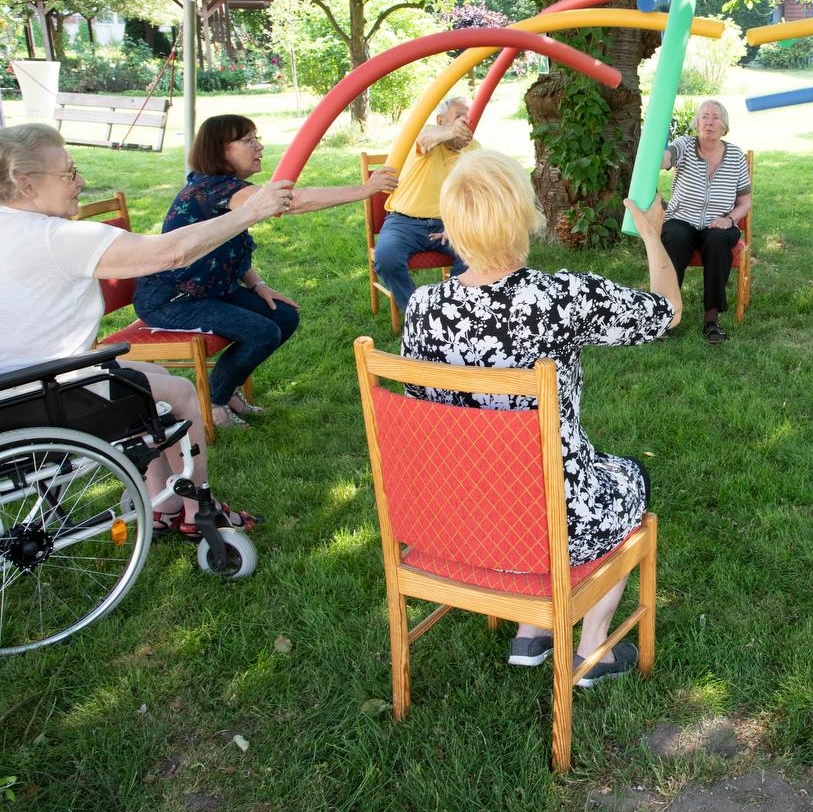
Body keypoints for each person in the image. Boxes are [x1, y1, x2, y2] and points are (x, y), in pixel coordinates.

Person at [401, 150, 681, 684]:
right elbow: (666, 311)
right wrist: (652, 235)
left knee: (541, 479)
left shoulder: (423, 306)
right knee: (632, 480)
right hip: (548, 520)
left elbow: (423, 405)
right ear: (524, 214)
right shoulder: (559, 297)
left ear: (452, 224)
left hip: (452, 516)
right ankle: (591, 649)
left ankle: (532, 633)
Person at [0, 122, 291, 538]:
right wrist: (249, 213)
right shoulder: (53, 238)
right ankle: (198, 511)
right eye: (69, 172)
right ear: (25, 183)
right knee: (183, 394)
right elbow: (169, 252)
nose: (80, 181)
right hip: (43, 393)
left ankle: (163, 502)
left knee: (156, 378)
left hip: (12, 389)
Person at [133, 115, 397, 430]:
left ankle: (225, 390)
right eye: (247, 140)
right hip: (172, 301)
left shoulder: (228, 191)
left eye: (255, 138)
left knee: (283, 315)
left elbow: (235, 246)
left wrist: (258, 284)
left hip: (210, 291)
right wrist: (365, 189)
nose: (259, 146)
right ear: (220, 150)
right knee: (261, 332)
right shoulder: (212, 190)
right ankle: (214, 404)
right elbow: (290, 202)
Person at [373, 96, 477, 319]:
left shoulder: (474, 149)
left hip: (450, 223)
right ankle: (420, 318)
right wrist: (452, 132)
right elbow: (426, 136)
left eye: (468, 120)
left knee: (478, 253)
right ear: (441, 120)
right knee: (386, 258)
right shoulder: (425, 137)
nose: (465, 124)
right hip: (404, 222)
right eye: (459, 118)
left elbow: (480, 194)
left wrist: (457, 222)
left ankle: (453, 312)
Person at [659, 99, 751, 344]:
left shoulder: (735, 157)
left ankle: (711, 320)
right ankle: (665, 316)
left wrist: (729, 219)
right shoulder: (684, 146)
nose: (709, 122)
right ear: (697, 123)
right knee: (675, 238)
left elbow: (745, 202)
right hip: (682, 219)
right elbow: (666, 159)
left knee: (719, 240)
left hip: (718, 223)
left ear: (724, 125)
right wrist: (661, 153)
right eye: (704, 117)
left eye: (715, 117)